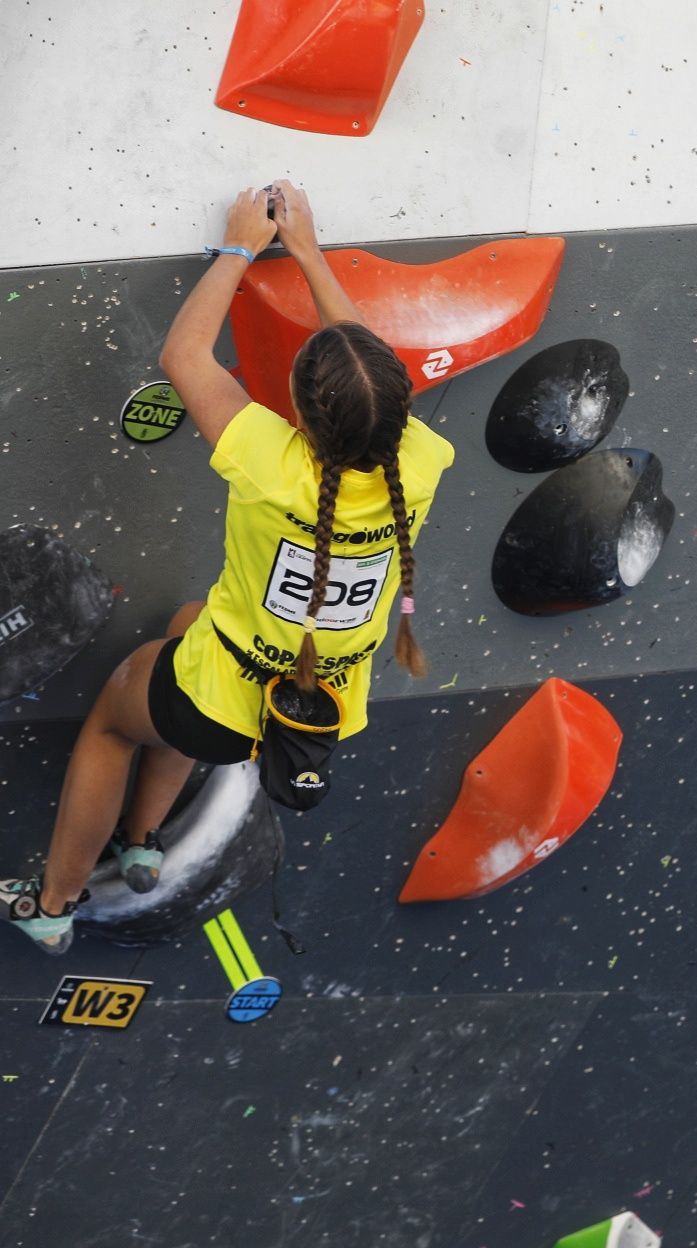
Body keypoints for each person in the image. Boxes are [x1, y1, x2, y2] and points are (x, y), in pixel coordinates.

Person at [2, 182, 457, 953]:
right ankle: (142, 841)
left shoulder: (270, 464)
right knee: (188, 627)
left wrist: (240, 248)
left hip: (228, 701)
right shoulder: (420, 460)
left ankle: (52, 903)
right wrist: (308, 252)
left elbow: (182, 355)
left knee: (115, 723)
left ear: (299, 416)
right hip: (317, 706)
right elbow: (368, 380)